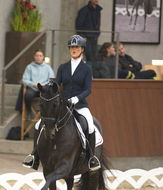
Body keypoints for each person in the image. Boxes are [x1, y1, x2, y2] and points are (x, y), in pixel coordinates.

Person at [23, 35, 101, 171]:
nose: (74, 49)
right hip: (62, 105)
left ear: (82, 49)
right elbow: (56, 85)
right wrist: (46, 89)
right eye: (72, 47)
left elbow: (88, 89)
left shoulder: (86, 68)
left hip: (80, 105)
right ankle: (35, 156)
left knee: (89, 125)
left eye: (76, 47)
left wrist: (77, 98)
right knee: (38, 125)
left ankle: (91, 158)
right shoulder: (63, 67)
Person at [15, 49, 54, 114]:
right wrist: (33, 84)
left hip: (43, 88)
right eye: (37, 55)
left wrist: (44, 85)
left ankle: (45, 114)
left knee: (50, 96)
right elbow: (24, 79)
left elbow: (52, 79)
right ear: (34, 57)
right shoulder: (29, 67)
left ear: (43, 57)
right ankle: (29, 111)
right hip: (33, 88)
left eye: (40, 56)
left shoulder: (48, 67)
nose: (38, 57)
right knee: (28, 95)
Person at [75, 0, 102, 65]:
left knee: (94, 56)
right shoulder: (84, 10)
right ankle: (89, 73)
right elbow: (78, 25)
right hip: (86, 37)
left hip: (94, 36)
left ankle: (93, 72)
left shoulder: (97, 10)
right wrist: (82, 36)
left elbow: (97, 24)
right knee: (88, 55)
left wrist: (97, 33)